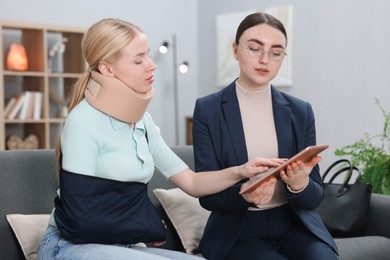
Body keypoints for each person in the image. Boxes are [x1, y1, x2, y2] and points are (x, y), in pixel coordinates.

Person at [36, 18, 285, 260]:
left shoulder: (142, 122)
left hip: (123, 245)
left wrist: (241, 171)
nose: (152, 65)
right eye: (139, 59)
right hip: (68, 246)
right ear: (107, 68)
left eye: (148, 54)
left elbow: (192, 182)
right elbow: (80, 217)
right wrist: (142, 226)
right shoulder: (84, 121)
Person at [192, 12, 339, 260]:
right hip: (238, 231)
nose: (264, 59)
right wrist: (244, 194)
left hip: (295, 225)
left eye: (276, 52)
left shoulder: (301, 111)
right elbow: (207, 196)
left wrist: (300, 183)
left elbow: (315, 196)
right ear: (236, 50)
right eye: (254, 48)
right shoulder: (208, 109)